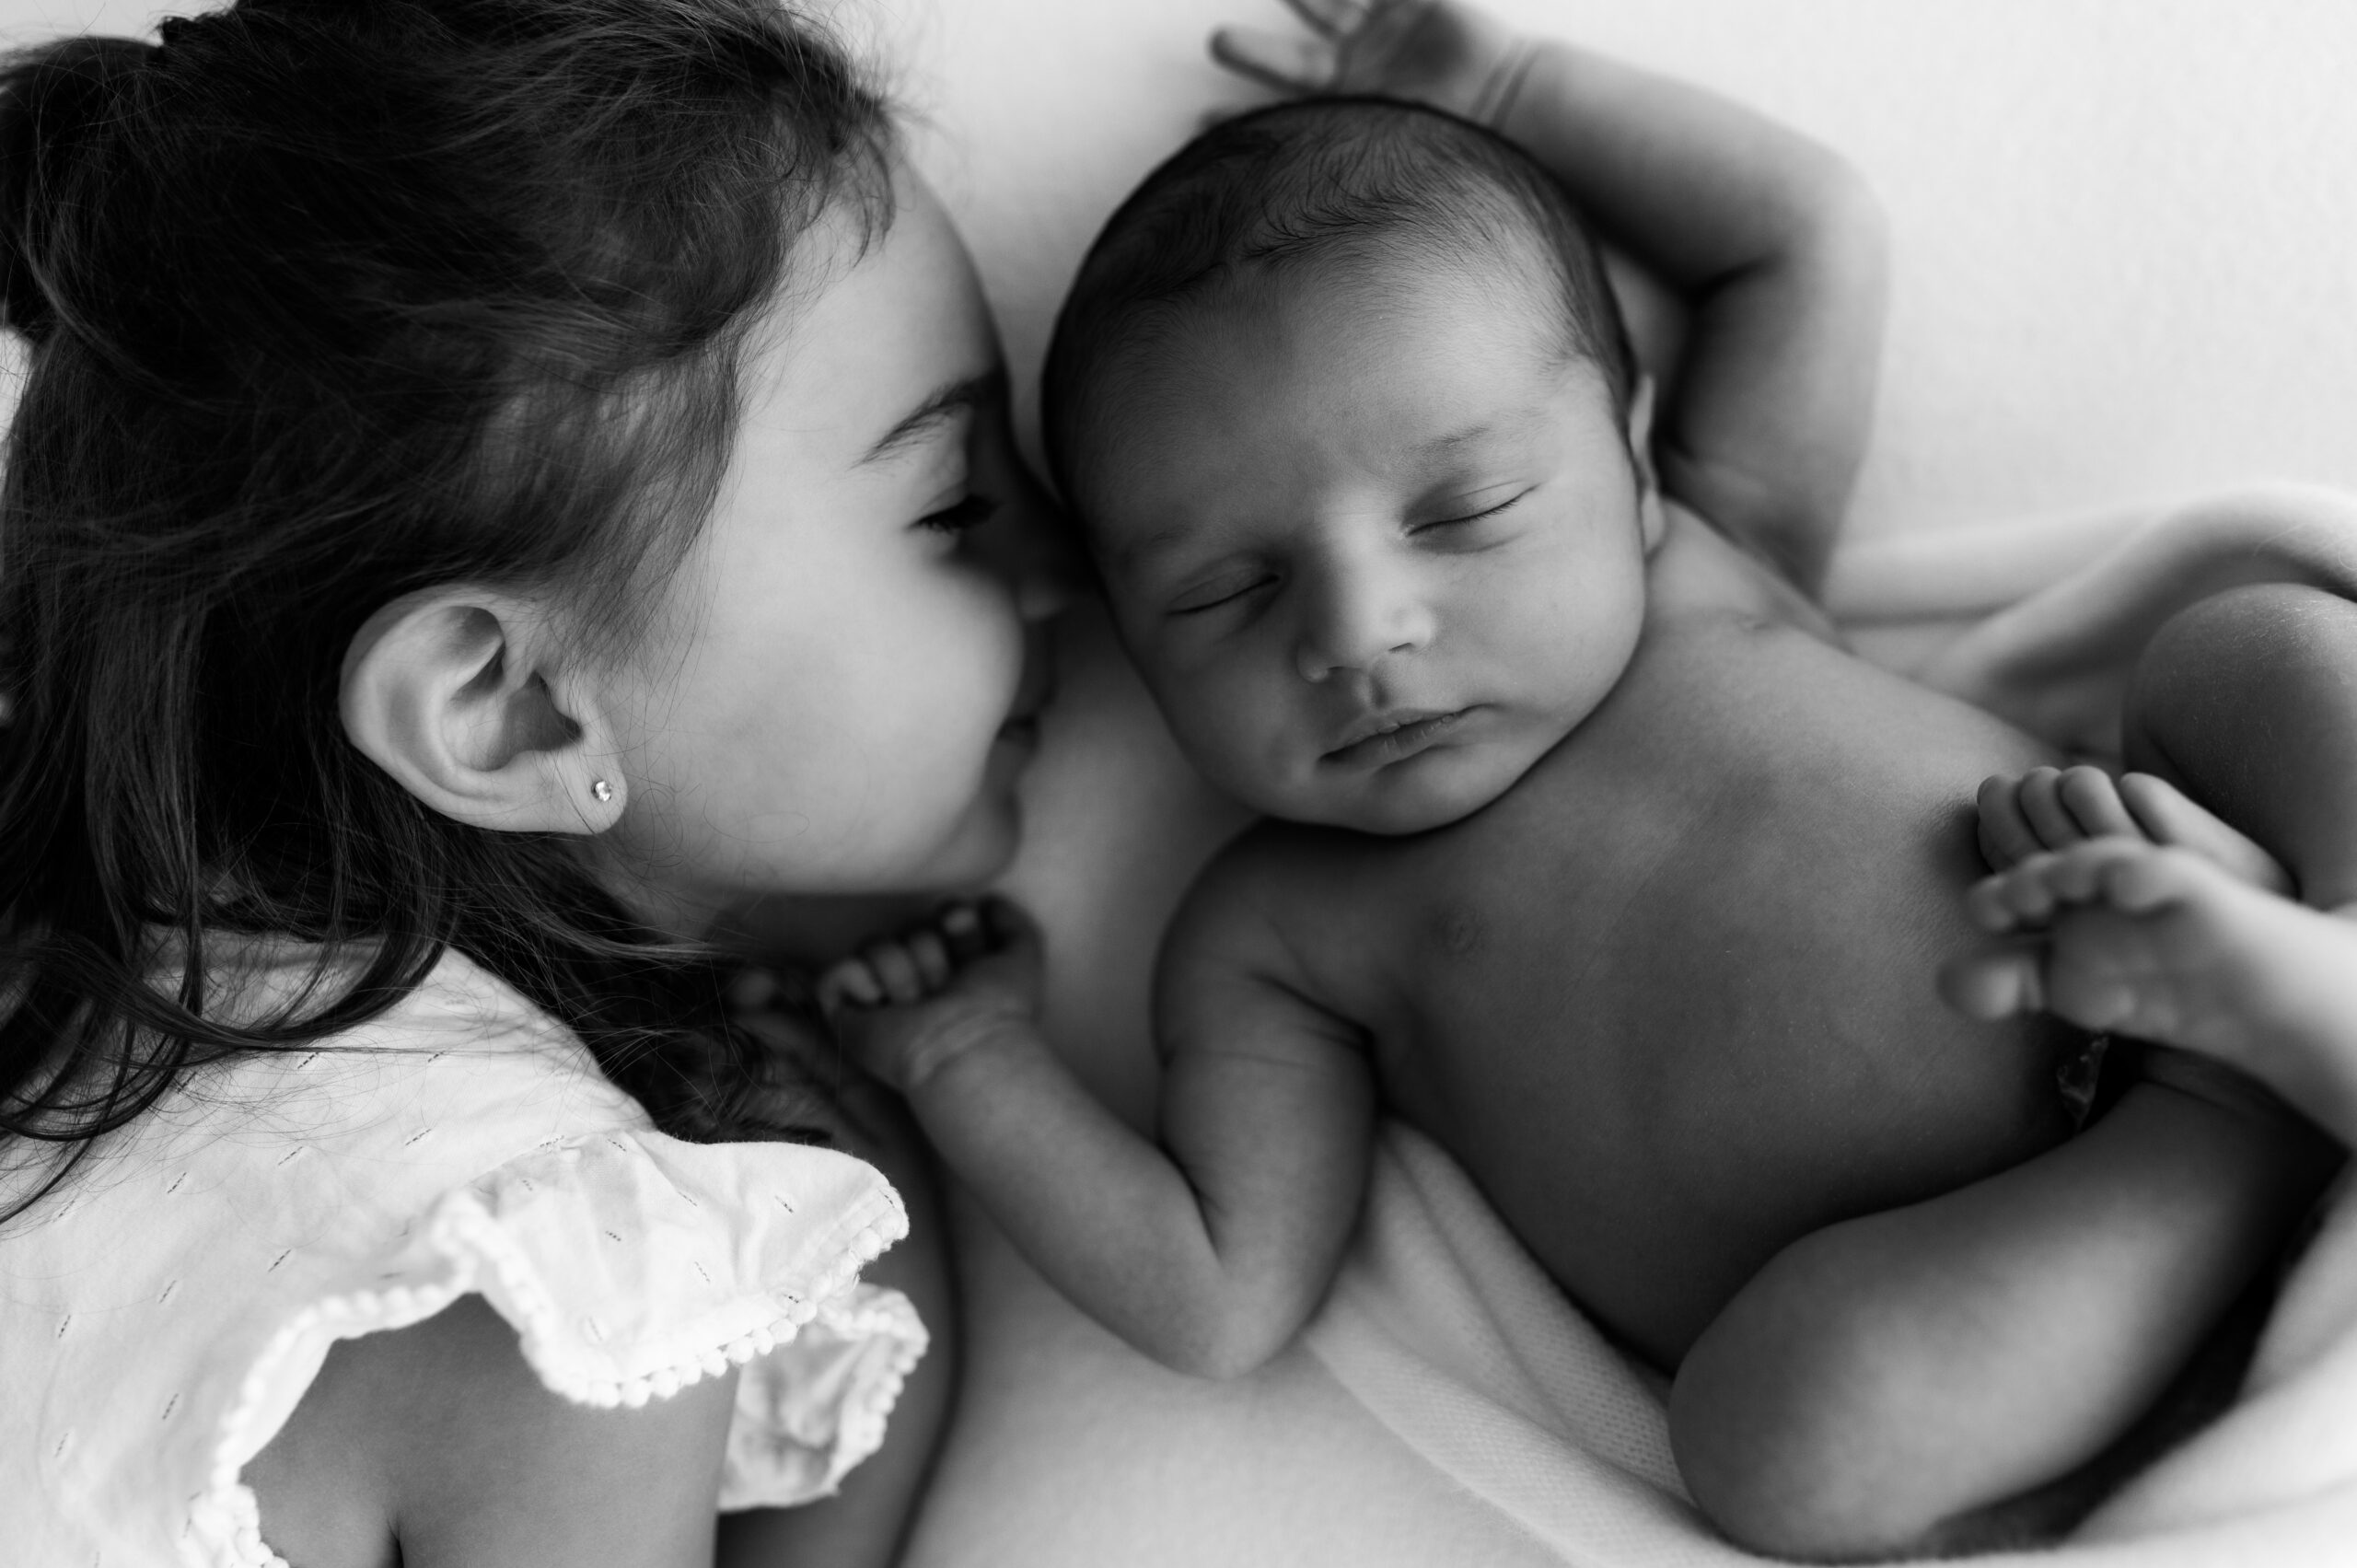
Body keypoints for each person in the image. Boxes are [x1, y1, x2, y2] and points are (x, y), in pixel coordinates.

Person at [822, 0, 2357, 1558]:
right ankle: (2242, 1102)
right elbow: (1222, 1291)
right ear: (1131, 642)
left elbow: (1804, 233)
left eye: (1467, 505)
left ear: (1624, 465)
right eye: (1228, 592)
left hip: (2162, 893)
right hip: (1996, 1295)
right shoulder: (1277, 932)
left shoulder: (1708, 555)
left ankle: (2320, 958)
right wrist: (968, 1061)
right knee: (1777, 1447)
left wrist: (1508, 86)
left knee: (2255, 653)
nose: (1359, 631)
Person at [0, 3, 1070, 1565]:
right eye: (957, 505)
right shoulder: (538, 1296)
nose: (1075, 572)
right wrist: (879, 1253)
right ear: (509, 712)